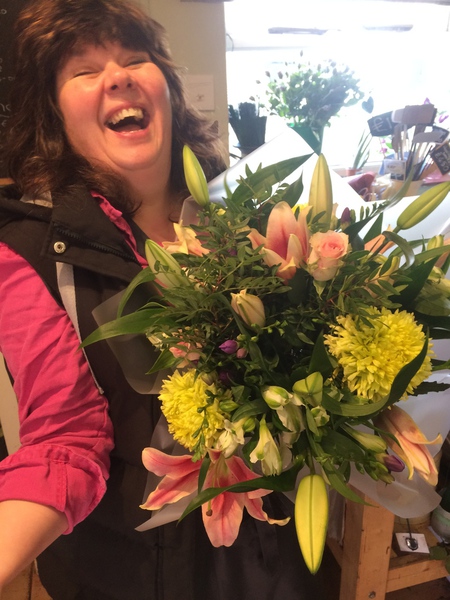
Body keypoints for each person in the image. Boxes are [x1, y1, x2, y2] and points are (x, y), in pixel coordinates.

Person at [0, 1, 326, 598]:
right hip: (129, 567)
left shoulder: (244, 213)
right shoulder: (27, 251)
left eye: (135, 59)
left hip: (269, 553)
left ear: (168, 89)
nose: (118, 77)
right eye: (84, 70)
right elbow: (64, 439)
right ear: (53, 114)